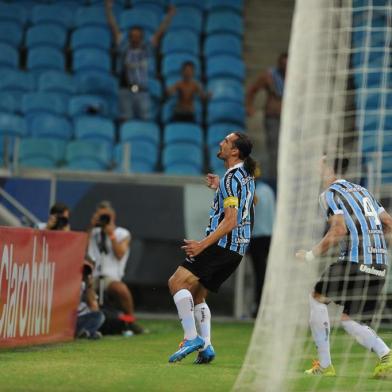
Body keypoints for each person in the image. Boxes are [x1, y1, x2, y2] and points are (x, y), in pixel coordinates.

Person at [295, 156, 392, 378]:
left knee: (316, 297)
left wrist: (310, 255)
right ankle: (386, 356)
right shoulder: (362, 191)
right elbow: (388, 222)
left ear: (327, 170)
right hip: (379, 265)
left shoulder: (329, 194)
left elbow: (338, 231)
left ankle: (325, 365)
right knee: (350, 320)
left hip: (356, 261)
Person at [168, 132, 256, 363]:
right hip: (237, 248)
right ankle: (205, 347)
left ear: (235, 151)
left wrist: (201, 245)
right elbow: (246, 202)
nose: (221, 143)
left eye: (226, 141)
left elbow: (231, 220)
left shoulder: (231, 178)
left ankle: (190, 338)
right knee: (198, 295)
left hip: (222, 244)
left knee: (176, 282)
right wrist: (221, 187)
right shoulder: (244, 175)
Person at [105, 0, 175, 121]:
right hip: (125, 89)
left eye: (138, 36)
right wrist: (108, 10)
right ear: (130, 37)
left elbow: (160, 32)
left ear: (141, 37)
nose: (135, 39)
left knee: (145, 120)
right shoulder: (124, 47)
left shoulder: (146, 48)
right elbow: (114, 27)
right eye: (133, 36)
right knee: (126, 120)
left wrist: (169, 16)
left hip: (142, 91)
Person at [88, 200, 144, 334]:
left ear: (113, 216)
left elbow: (120, 254)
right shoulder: (93, 232)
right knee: (82, 290)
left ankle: (130, 321)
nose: (104, 219)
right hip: (93, 274)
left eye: (106, 216)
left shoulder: (122, 233)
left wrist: (111, 234)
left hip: (111, 276)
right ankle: (88, 323)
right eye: (101, 216)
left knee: (121, 289)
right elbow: (83, 250)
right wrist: (91, 226)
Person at [246, 52, 287, 181]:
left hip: (287, 119)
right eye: (283, 64)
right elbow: (252, 89)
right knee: (274, 149)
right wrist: (249, 107)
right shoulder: (270, 76)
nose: (285, 67)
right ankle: (275, 178)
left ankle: (284, 176)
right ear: (279, 64)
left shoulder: (294, 76)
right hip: (273, 118)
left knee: (285, 149)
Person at [248, 177, 275, 317]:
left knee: (260, 275)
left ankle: (259, 309)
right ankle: (268, 307)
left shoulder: (253, 193)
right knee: (267, 274)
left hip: (257, 238)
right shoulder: (267, 190)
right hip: (271, 237)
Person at [76, 259, 105, 340]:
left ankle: (86, 333)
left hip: (82, 318)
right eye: (83, 271)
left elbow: (94, 308)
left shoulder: (86, 286)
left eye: (86, 272)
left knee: (99, 316)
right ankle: (89, 333)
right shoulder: (71, 282)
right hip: (71, 319)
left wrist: (89, 285)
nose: (84, 274)